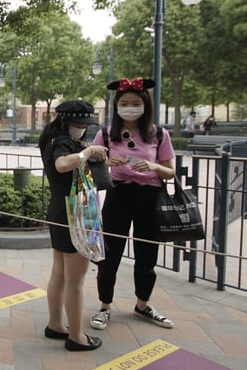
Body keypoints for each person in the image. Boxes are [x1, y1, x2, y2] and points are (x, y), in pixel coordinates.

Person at [90, 77, 177, 332]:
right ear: (116, 106)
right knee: (110, 254)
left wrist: (153, 166)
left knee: (147, 255)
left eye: (135, 102)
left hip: (150, 198)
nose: (130, 107)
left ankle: (143, 305)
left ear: (145, 105)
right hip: (118, 196)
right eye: (124, 103)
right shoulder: (105, 134)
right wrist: (106, 163)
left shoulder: (159, 134)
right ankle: (105, 307)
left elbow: (170, 172)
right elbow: (90, 165)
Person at [39, 100, 107, 352]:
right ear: (65, 122)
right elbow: (62, 165)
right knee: (75, 280)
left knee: (59, 271)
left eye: (85, 124)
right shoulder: (65, 143)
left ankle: (55, 324)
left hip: (59, 208)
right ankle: (76, 336)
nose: (83, 128)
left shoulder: (52, 139)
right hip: (74, 212)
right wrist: (88, 153)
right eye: (79, 124)